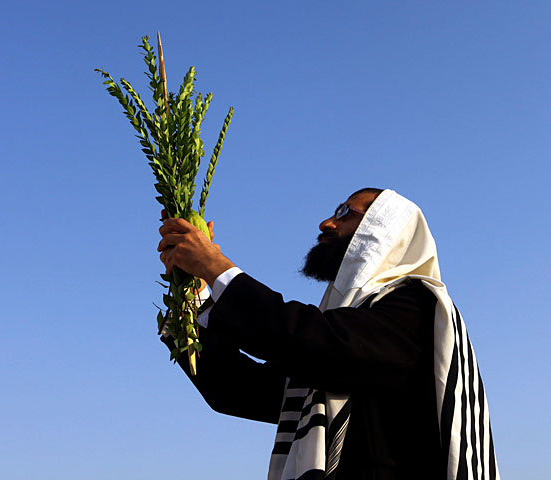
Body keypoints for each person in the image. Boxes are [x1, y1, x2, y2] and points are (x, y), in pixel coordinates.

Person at [157, 188, 499, 480]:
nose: (326, 223)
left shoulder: (416, 307)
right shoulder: (342, 333)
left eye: (345, 212)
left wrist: (215, 266)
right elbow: (244, 391)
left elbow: (314, 342)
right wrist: (195, 298)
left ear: (385, 231)